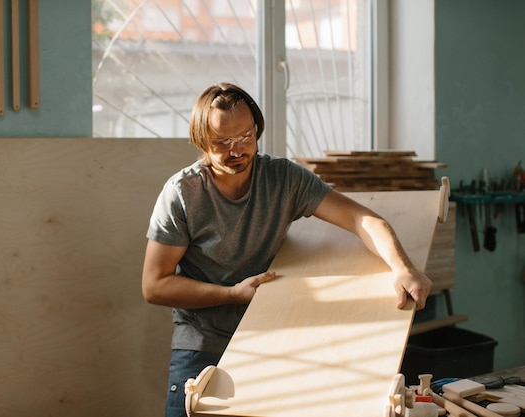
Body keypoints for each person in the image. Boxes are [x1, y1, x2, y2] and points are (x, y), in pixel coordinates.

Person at [142, 82, 432, 417]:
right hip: (204, 342)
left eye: (245, 136)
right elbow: (155, 285)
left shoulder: (282, 178)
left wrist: (402, 267)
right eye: (222, 142)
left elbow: (359, 218)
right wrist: (232, 294)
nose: (236, 150)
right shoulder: (182, 193)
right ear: (201, 140)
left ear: (257, 129)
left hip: (276, 336)